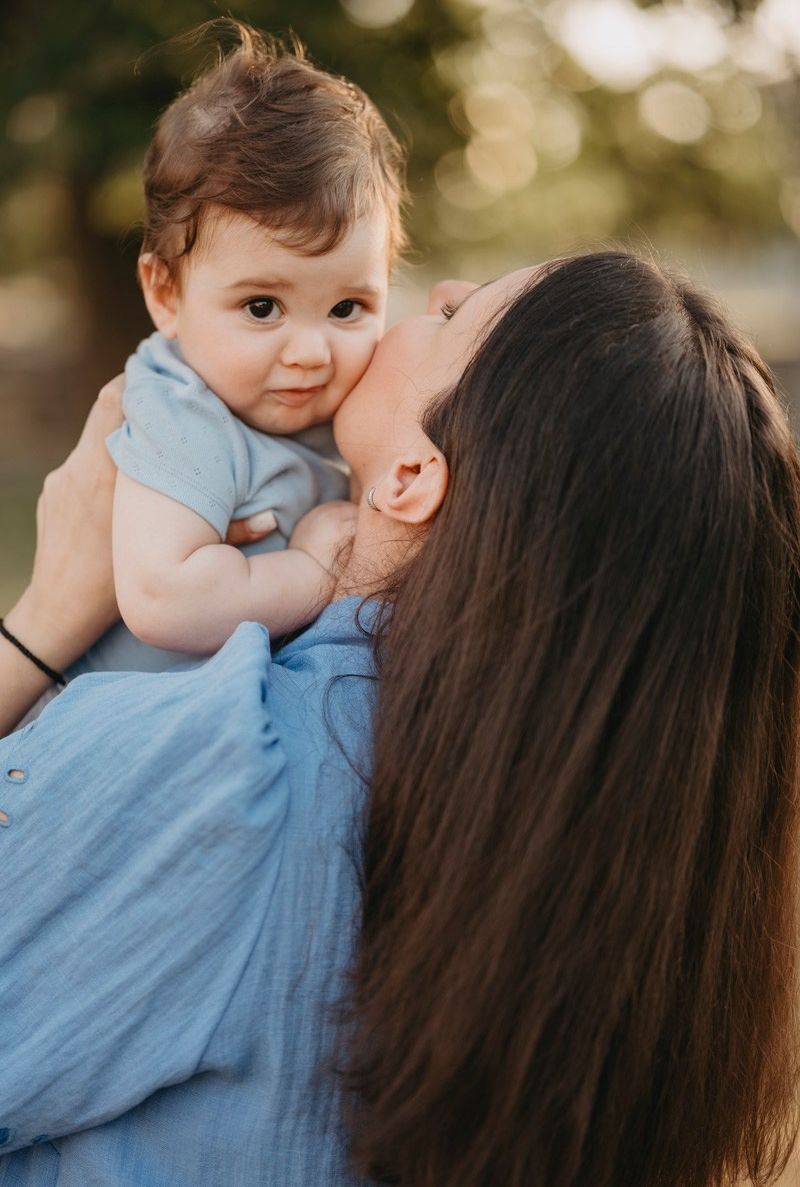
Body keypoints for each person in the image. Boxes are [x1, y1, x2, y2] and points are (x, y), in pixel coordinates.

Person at [1, 251, 799, 1187]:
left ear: (414, 475)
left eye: (455, 319)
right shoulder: (651, 891)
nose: (435, 294)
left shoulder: (229, 766)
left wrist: (44, 621)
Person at [73, 21, 405, 678]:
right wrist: (314, 571)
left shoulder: (341, 411)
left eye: (347, 308)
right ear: (166, 294)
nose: (310, 353)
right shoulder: (181, 407)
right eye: (261, 307)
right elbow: (165, 598)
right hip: (121, 724)